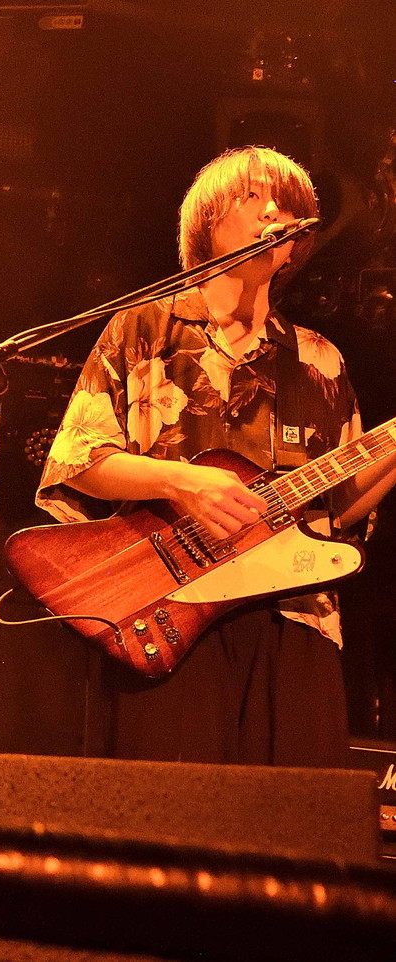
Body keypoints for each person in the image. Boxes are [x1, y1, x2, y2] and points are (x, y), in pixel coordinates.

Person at [35, 145, 396, 768]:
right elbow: (80, 462)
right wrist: (183, 483)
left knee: (295, 813)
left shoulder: (319, 359)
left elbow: (339, 506)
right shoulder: (144, 328)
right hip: (169, 612)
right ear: (206, 220)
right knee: (170, 807)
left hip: (294, 616)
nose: (274, 213)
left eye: (289, 207)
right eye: (254, 198)